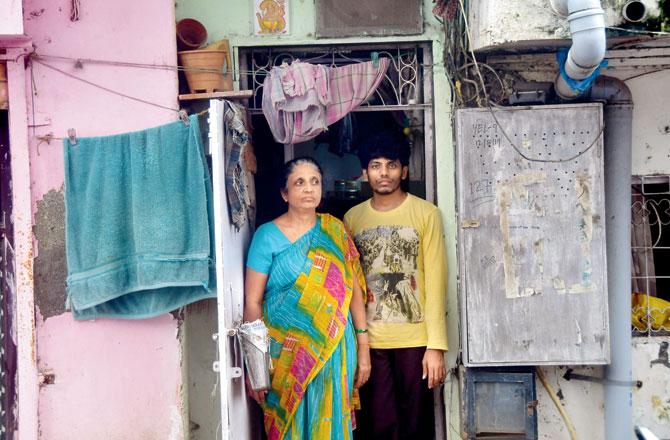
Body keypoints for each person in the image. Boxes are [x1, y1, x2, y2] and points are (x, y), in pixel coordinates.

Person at [243, 157, 370, 440]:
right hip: (284, 352)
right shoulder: (266, 236)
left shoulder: (335, 231)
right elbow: (253, 301)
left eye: (314, 182)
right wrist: (256, 365)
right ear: (284, 193)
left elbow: (354, 293)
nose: (309, 189)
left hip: (333, 346)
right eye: (299, 182)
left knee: (330, 420)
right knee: (291, 425)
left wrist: (363, 347)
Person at [344, 132, 448, 439]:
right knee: (379, 427)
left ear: (404, 170)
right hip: (372, 343)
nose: (384, 172)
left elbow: (436, 278)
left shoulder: (426, 214)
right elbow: (351, 286)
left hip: (415, 341)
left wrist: (436, 346)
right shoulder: (352, 219)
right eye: (375, 165)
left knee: (416, 426)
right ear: (365, 173)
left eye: (391, 165)